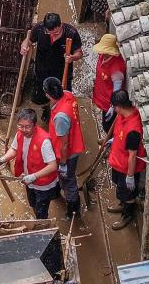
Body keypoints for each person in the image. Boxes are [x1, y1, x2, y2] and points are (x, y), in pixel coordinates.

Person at [0, 108, 59, 219]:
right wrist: (4, 158)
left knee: (42, 212)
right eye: (20, 126)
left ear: (35, 125)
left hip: (44, 184)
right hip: (29, 179)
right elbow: (14, 149)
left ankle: (44, 228)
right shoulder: (20, 134)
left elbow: (53, 166)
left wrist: (34, 176)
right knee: (33, 204)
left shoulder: (44, 141)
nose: (23, 129)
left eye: (27, 127)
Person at [21, 13, 83, 122]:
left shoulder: (71, 33)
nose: (54, 35)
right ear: (45, 28)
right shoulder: (39, 29)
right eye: (51, 33)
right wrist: (24, 47)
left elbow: (79, 53)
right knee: (40, 97)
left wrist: (72, 57)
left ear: (61, 25)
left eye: (57, 32)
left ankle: (59, 116)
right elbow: (28, 41)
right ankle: (46, 109)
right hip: (42, 70)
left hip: (62, 72)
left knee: (63, 99)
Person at [44, 77, 85, 221]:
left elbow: (64, 145)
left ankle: (73, 212)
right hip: (74, 142)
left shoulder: (60, 118)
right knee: (63, 178)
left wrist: (62, 164)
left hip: (68, 152)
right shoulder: (68, 94)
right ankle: (56, 192)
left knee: (68, 181)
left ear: (48, 95)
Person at [106, 90, 146, 230]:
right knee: (120, 187)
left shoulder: (133, 130)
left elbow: (132, 156)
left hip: (125, 167)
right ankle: (122, 203)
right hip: (117, 161)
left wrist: (130, 175)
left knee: (128, 192)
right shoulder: (122, 116)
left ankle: (127, 214)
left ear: (118, 107)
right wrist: (113, 140)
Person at [92, 33, 127, 133]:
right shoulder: (102, 56)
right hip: (101, 95)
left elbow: (117, 89)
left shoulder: (116, 69)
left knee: (108, 126)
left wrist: (113, 105)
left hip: (109, 101)